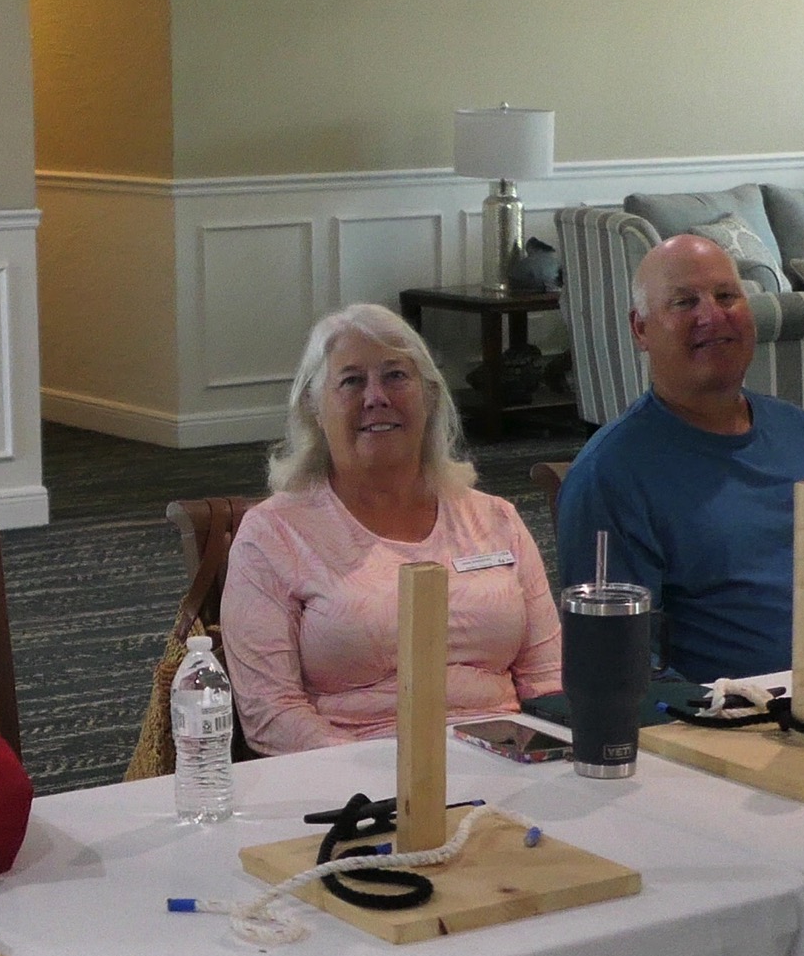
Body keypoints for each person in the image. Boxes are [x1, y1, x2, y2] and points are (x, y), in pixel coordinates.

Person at [556, 234, 804, 683]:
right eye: (684, 302)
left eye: (726, 296)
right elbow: (621, 665)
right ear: (641, 329)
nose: (711, 316)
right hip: (729, 717)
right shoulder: (610, 475)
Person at [219, 304, 561, 754]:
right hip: (352, 775)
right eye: (351, 381)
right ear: (314, 408)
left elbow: (547, 682)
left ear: (430, 397)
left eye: (396, 376)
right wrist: (386, 777)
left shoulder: (497, 519)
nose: (376, 396)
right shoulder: (273, 534)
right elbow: (271, 714)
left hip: (503, 764)